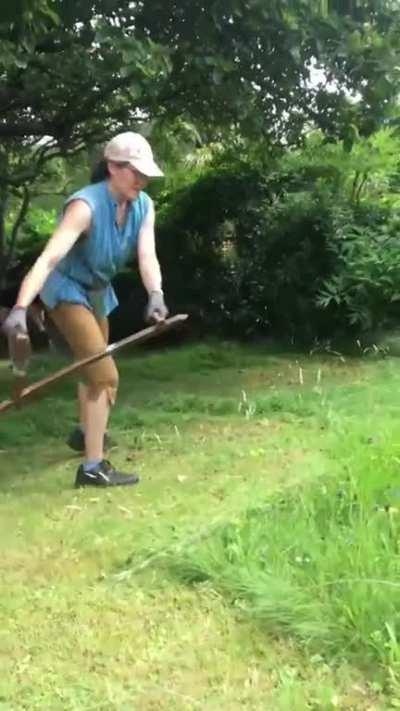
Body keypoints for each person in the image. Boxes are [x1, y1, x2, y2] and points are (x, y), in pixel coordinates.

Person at [2, 131, 169, 488]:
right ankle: (92, 467)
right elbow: (49, 259)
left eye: (145, 174)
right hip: (65, 290)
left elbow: (146, 255)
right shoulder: (85, 206)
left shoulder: (143, 206)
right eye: (134, 172)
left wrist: (156, 293)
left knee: (90, 370)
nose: (141, 180)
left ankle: (85, 432)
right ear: (112, 167)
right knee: (104, 375)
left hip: (98, 292)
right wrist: (20, 307)